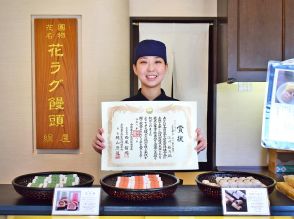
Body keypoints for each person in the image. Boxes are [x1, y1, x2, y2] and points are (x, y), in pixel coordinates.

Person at [92, 39, 207, 154]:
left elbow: (182, 152)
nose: (151, 68)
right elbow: (117, 151)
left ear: (166, 68)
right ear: (135, 69)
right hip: (131, 173)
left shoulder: (180, 110)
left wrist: (195, 146)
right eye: (143, 62)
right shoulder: (121, 110)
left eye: (157, 62)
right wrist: (102, 147)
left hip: (165, 173)